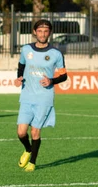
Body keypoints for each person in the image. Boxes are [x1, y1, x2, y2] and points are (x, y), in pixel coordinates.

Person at [14, 19, 67, 172]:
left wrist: (52, 80)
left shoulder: (56, 54)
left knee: (35, 131)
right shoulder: (25, 49)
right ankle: (28, 150)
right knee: (21, 132)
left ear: (49, 33)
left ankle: (33, 162)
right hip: (27, 96)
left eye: (46, 31)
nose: (43, 34)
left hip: (44, 98)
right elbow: (21, 65)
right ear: (34, 32)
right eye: (40, 31)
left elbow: (64, 76)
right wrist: (19, 76)